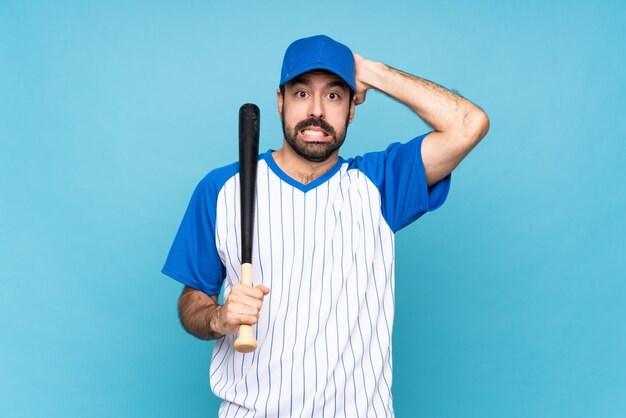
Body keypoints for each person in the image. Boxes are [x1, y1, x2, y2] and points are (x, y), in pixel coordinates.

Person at [162, 34, 489, 417]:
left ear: (353, 107)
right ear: (280, 101)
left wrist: (373, 72)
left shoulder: (381, 183)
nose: (316, 110)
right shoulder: (221, 189)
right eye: (301, 94)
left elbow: (469, 124)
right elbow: (192, 302)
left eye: (334, 95)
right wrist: (219, 317)